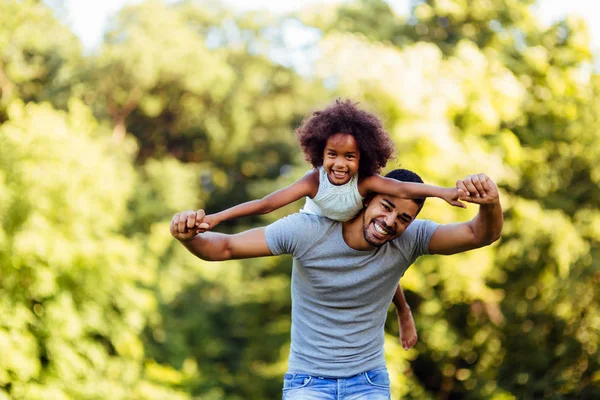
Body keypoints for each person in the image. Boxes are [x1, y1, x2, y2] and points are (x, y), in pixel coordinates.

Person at [170, 169, 503, 399]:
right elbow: (223, 247)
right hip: (307, 383)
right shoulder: (307, 231)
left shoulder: (411, 239)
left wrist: (490, 202)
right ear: (367, 199)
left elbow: (479, 234)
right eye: (386, 208)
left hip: (369, 382)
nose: (390, 222)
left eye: (404, 218)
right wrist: (188, 236)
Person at [198, 99, 466, 349]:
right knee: (372, 255)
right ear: (320, 154)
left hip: (353, 218)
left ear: (362, 160)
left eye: (349, 156)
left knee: (380, 260)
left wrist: (444, 192)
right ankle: (401, 309)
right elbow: (267, 204)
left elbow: (403, 188)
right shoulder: (314, 181)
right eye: (332, 154)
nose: (340, 164)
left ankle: (403, 309)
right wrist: (216, 218)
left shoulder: (365, 183)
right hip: (320, 222)